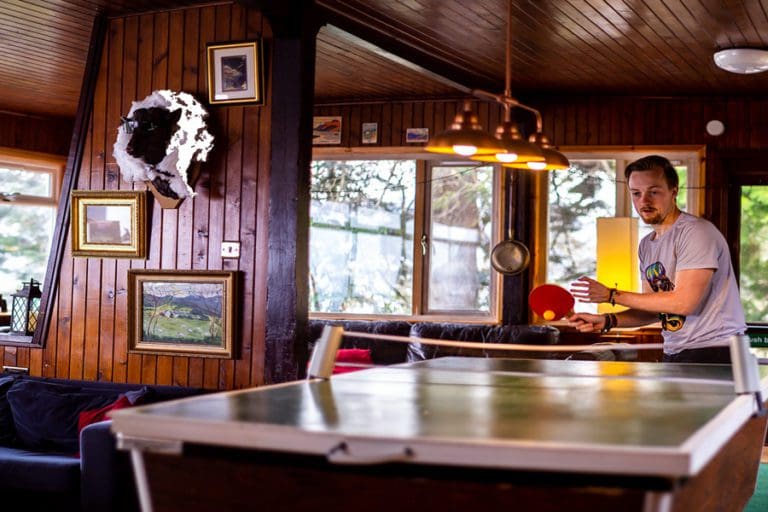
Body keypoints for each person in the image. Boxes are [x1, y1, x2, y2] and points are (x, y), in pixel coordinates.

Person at [568, 155, 746, 364]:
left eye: (654, 192)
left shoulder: (696, 232)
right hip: (675, 350)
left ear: (674, 191)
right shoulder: (647, 245)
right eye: (636, 193)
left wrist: (611, 295)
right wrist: (607, 320)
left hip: (715, 350)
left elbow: (683, 303)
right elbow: (653, 310)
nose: (644, 201)